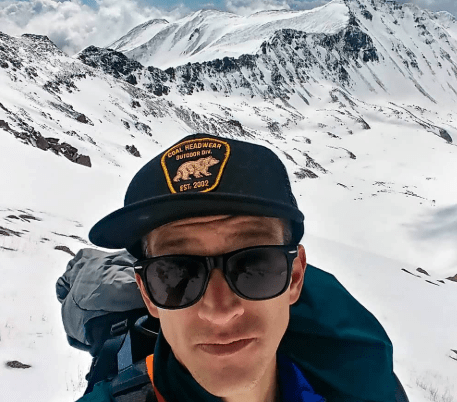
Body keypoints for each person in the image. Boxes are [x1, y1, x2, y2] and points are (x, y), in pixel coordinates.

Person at [83, 133, 407, 402]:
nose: (220, 311)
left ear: (294, 277)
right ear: (148, 294)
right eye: (176, 274)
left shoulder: (362, 389)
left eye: (255, 266)